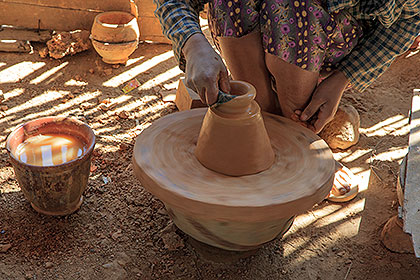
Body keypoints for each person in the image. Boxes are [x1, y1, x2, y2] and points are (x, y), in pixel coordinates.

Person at [153, 0, 420, 201]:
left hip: (330, 32)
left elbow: (412, 18)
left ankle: (299, 141)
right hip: (254, 19)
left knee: (295, 8)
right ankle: (263, 120)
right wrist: (193, 44)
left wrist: (341, 79)